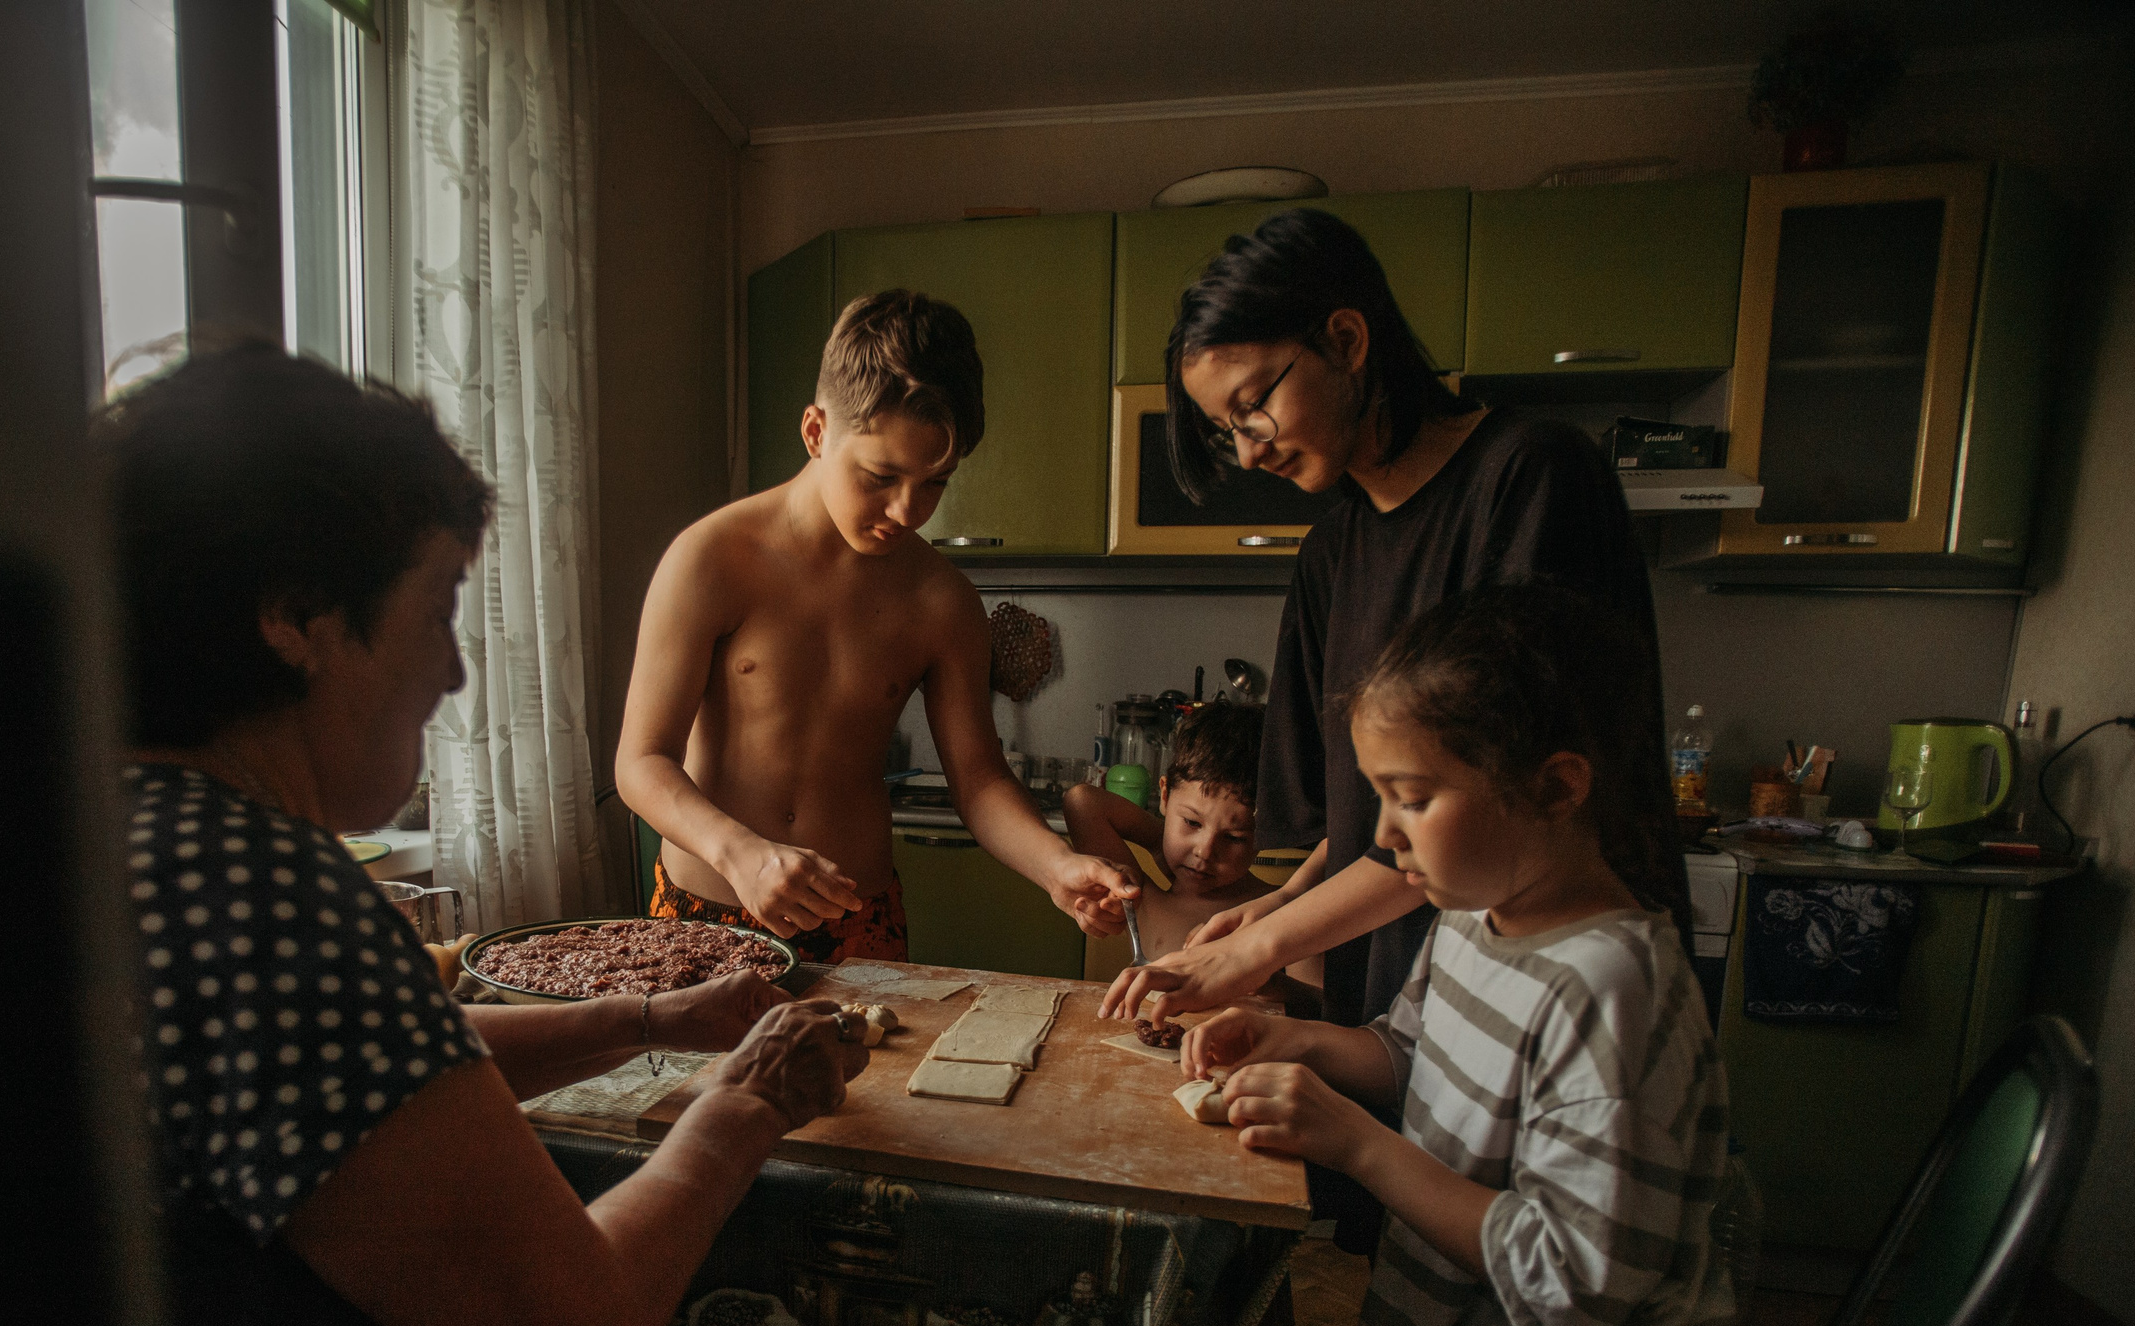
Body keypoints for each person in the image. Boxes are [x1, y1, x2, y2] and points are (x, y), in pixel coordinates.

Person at [107, 345, 905, 1326]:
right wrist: (750, 1097)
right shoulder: (274, 896)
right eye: (436, 608)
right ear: (297, 614)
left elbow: (400, 1055)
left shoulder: (147, 834)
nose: (459, 669)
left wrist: (657, 1014)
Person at [1179, 585, 1764, 1326]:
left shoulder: (1610, 992)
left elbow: (1569, 1288)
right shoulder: (1476, 916)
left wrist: (1354, 1146)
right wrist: (1295, 1039)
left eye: (1411, 797)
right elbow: (1403, 1056)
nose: (1387, 838)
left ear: (1553, 788)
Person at [1098, 209, 1686, 1253]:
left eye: (1252, 406)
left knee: (1543, 1255)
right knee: (1418, 1273)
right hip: (1411, 1001)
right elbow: (1364, 813)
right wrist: (1270, 909)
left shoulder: (1529, 478)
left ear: (1346, 339)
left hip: (1538, 972)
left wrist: (1275, 938)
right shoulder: (1334, 549)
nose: (1246, 448)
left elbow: (1493, 803)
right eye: (1224, 431)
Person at [617, 289, 1136, 964]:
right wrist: (740, 852)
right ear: (815, 432)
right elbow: (641, 761)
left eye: (935, 483)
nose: (908, 509)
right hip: (706, 912)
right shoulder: (711, 560)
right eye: (881, 475)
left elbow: (978, 781)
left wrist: (1056, 867)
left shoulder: (941, 599)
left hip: (858, 924)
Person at [1062, 700, 1318, 995]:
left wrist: (1261, 982)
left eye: (1234, 838)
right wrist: (1162, 847)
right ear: (1165, 795)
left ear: (1267, 833)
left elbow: (1317, 1013)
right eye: (1192, 823)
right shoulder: (1144, 900)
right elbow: (1081, 802)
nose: (1205, 852)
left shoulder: (1285, 912)